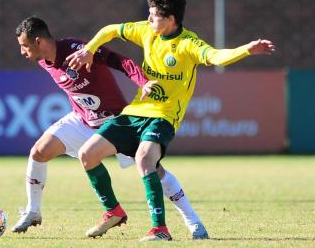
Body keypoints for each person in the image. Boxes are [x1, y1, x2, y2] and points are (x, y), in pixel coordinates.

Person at [66, 0, 275, 242]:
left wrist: (245, 50)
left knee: (145, 159)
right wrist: (89, 49)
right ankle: (113, 211)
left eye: (154, 15)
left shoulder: (188, 43)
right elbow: (110, 29)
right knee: (87, 154)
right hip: (134, 113)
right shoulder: (146, 31)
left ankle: (160, 229)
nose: (149, 19)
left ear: (171, 18)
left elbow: (216, 56)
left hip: (163, 117)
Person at [12, 16, 209, 239]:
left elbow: (121, 61)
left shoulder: (79, 49)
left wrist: (143, 82)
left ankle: (193, 221)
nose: (22, 51)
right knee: (38, 152)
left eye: (24, 46)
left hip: (113, 122)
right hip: (82, 120)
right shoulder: (43, 60)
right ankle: (33, 211)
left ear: (39, 41)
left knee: (154, 169)